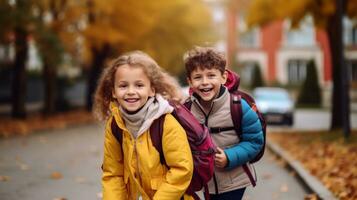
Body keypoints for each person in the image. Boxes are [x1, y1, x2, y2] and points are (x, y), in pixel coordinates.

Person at [93, 51, 194, 200]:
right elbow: (113, 174)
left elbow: (182, 170)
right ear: (114, 92)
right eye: (123, 86)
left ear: (152, 90)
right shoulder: (115, 125)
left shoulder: (166, 123)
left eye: (139, 85)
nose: (131, 92)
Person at [183, 46, 264, 200]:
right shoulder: (186, 110)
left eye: (211, 75)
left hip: (234, 182)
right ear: (190, 81)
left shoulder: (239, 106)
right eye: (198, 77)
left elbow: (254, 142)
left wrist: (229, 156)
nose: (205, 82)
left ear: (223, 77)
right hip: (201, 182)